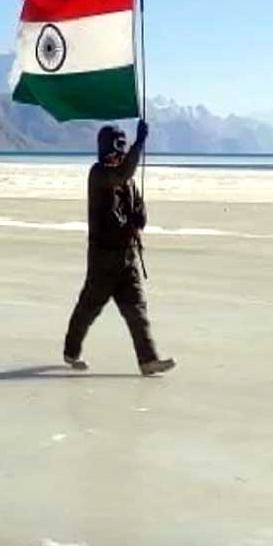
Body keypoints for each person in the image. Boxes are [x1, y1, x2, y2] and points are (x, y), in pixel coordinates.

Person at [63, 120, 175, 376]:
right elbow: (122, 174)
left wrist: (138, 218)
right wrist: (140, 143)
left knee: (137, 310)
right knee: (88, 308)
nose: (118, 156)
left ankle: (148, 360)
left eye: (121, 152)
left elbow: (139, 211)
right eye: (115, 151)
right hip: (103, 261)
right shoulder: (98, 175)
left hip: (127, 259)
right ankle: (71, 352)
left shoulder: (129, 183)